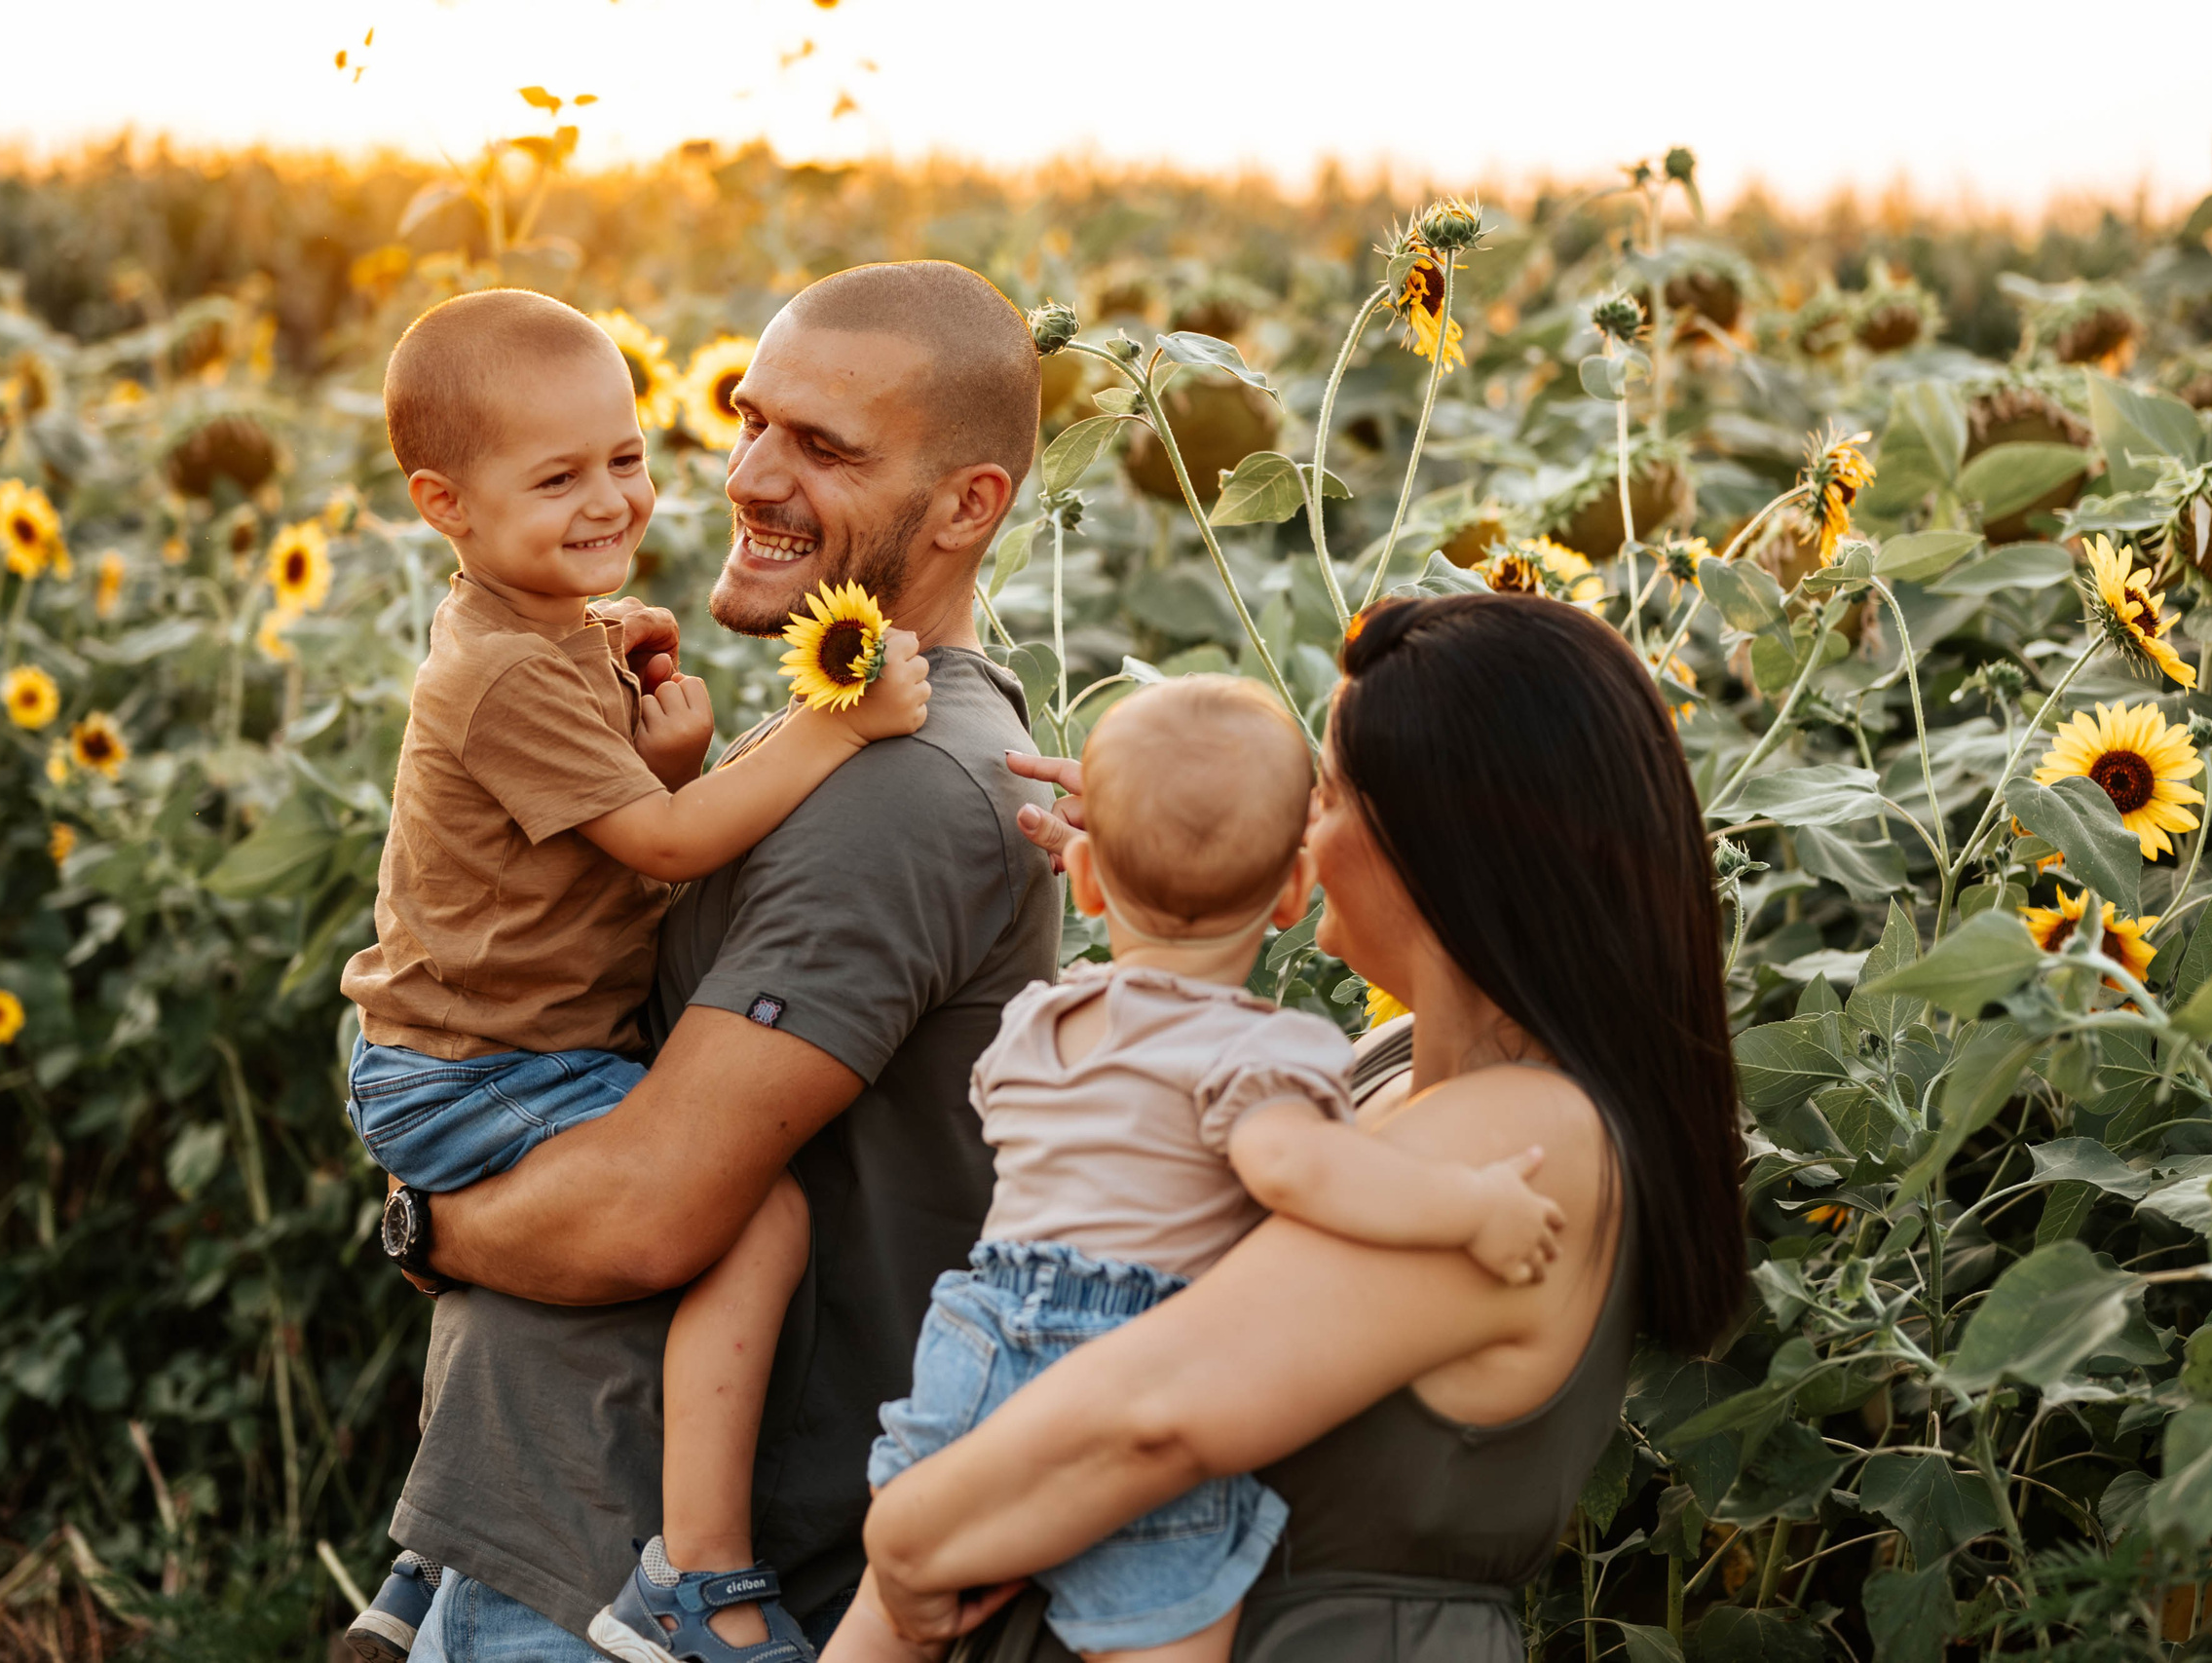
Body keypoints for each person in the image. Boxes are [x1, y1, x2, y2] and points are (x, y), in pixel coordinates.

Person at [371, 261, 1064, 1663]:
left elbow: (643, 1216)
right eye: (752, 419)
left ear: (968, 505)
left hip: (642, 1562)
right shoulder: (833, 734)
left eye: (823, 445)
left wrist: (423, 1221)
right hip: (557, 1514)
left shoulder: (908, 786)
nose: (747, 473)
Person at [853, 592, 1748, 1663]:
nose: (1295, 825)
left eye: (1317, 791)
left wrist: (906, 1547)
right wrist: (1162, 854)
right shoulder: (1383, 1066)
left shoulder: (1529, 1134)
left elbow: (1155, 1411)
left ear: (1433, 839)